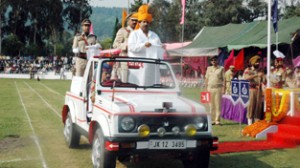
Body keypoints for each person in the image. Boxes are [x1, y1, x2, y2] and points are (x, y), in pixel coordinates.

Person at [127, 4, 164, 86]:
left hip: (152, 69)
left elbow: (159, 49)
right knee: (138, 88)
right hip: (138, 69)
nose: (145, 24)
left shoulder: (154, 36)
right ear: (139, 23)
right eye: (143, 22)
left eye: (147, 22)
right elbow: (131, 48)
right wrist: (143, 45)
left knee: (152, 89)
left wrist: (162, 48)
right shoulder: (134, 34)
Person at [111, 13, 138, 82]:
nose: (135, 22)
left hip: (137, 62)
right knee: (125, 82)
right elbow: (115, 45)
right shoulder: (123, 31)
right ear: (128, 21)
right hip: (125, 62)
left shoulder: (139, 33)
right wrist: (125, 46)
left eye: (136, 20)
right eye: (132, 20)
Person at [243, 55, 263, 125]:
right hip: (251, 90)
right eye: (256, 62)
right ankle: (250, 124)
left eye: (259, 62)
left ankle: (256, 124)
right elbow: (246, 78)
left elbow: (263, 80)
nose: (258, 63)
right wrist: (256, 75)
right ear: (252, 63)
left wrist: (264, 77)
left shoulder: (260, 70)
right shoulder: (248, 70)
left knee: (258, 107)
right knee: (251, 107)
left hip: (259, 90)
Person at [204, 56, 225, 125]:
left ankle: (217, 120)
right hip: (210, 88)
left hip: (218, 88)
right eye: (212, 60)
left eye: (215, 60)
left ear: (217, 60)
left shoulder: (221, 68)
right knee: (211, 105)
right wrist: (205, 88)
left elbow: (224, 79)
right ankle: (212, 120)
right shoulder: (208, 68)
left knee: (217, 105)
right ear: (210, 62)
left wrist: (223, 89)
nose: (213, 61)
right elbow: (206, 79)